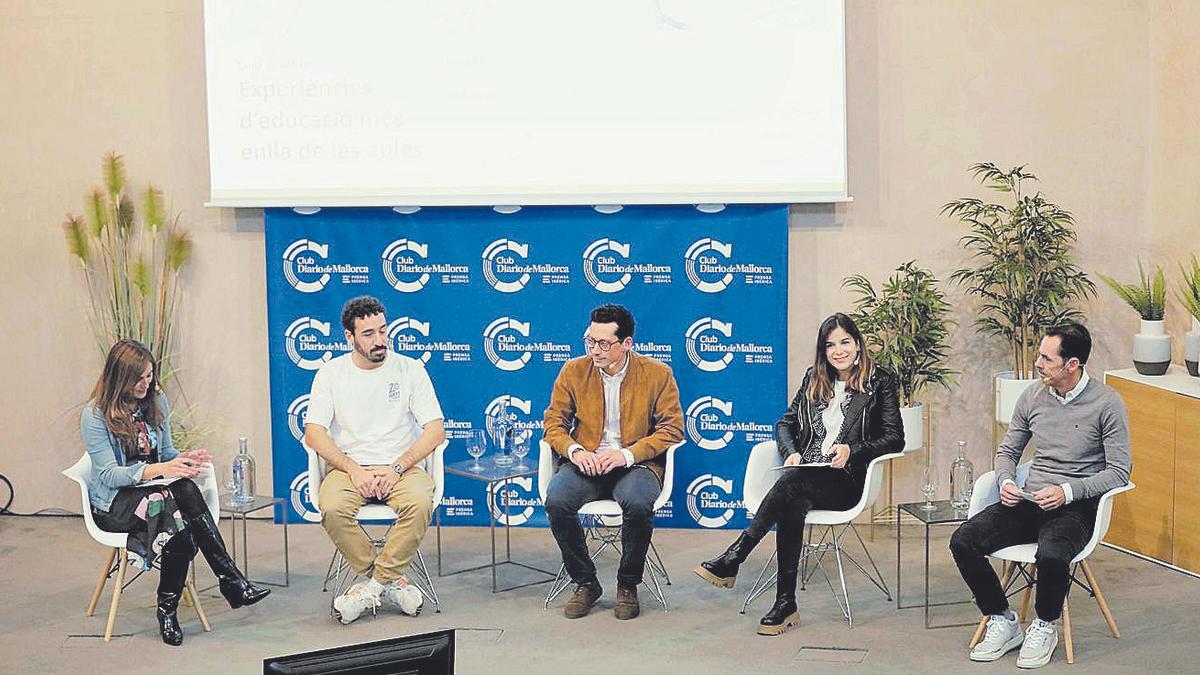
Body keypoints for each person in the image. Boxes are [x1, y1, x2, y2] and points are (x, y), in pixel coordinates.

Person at [693, 313, 903, 635]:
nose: (838, 351)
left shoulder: (880, 381)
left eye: (845, 342)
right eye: (830, 345)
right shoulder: (814, 378)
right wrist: (791, 452)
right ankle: (785, 603)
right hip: (807, 473)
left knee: (792, 483)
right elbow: (785, 424)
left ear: (858, 344)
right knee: (793, 499)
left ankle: (737, 554)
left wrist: (853, 450)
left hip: (846, 479)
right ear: (823, 350)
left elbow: (894, 437)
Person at [950, 322, 1131, 669]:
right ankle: (1002, 619)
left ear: (1072, 365)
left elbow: (1119, 472)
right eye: (1039, 355)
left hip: (1075, 508)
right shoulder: (1032, 395)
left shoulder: (1107, 404)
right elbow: (1008, 451)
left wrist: (1066, 492)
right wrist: (1005, 481)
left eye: (1047, 359)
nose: (1038, 363)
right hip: (1029, 501)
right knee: (963, 540)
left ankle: (1045, 625)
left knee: (1051, 554)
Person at [82, 340, 269, 646]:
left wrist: (183, 461)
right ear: (119, 377)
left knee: (181, 493)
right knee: (173, 515)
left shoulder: (155, 401)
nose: (147, 384)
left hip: (155, 493)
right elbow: (107, 475)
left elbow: (166, 452)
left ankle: (183, 603)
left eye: (150, 376)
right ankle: (226, 583)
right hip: (115, 503)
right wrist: (160, 470)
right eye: (139, 378)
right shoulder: (95, 415)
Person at [305, 296, 446, 625]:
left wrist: (398, 467)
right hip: (349, 468)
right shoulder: (330, 374)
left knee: (420, 501)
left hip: (402, 466)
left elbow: (435, 430)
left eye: (383, 330)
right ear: (349, 338)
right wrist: (353, 470)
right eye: (368, 334)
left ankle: (370, 589)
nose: (380, 340)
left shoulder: (410, 369)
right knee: (332, 508)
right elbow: (314, 433)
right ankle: (391, 583)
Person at [542, 304, 684, 620]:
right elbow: (553, 423)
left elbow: (672, 428)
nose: (595, 350)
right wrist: (576, 451)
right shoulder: (573, 371)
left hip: (635, 464)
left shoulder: (658, 373)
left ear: (627, 344)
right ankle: (585, 582)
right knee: (557, 500)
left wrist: (626, 454)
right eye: (590, 341)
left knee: (636, 502)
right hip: (587, 463)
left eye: (604, 343)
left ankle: (627, 584)